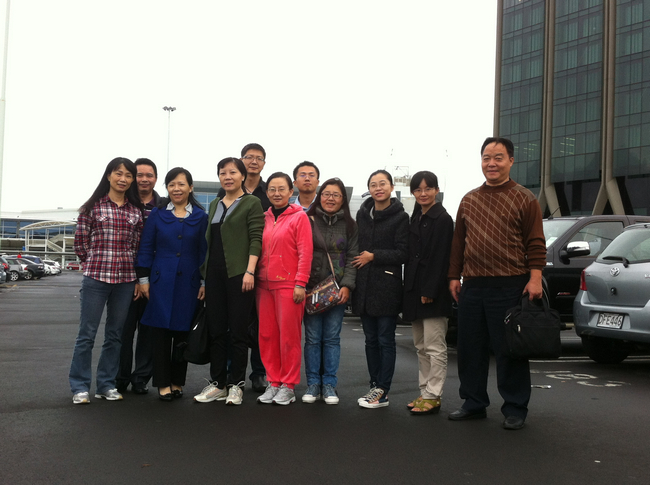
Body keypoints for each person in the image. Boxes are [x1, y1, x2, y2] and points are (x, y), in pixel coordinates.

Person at [447, 137, 546, 431]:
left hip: (510, 285)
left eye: (498, 157)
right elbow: (458, 243)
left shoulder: (525, 198)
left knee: (509, 349)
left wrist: (535, 278)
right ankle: (473, 403)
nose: (491, 163)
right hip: (473, 285)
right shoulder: (468, 199)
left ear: (511, 161)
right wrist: (453, 276)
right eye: (486, 158)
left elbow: (536, 242)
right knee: (470, 348)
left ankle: (515, 408)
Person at [69, 158, 144, 404]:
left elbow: (136, 248)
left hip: (125, 281)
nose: (123, 179)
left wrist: (135, 278)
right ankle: (80, 387)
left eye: (128, 175)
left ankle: (106, 385)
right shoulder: (91, 207)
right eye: (118, 173)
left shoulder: (135, 211)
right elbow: (80, 244)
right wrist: (91, 263)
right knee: (86, 334)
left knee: (115, 335)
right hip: (96, 279)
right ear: (109, 175)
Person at [193, 158, 264, 405]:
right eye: (223, 173)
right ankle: (218, 384)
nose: (227, 177)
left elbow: (256, 238)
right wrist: (204, 279)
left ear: (242, 176)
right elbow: (210, 242)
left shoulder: (251, 203)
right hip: (214, 276)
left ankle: (236, 385)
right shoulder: (215, 204)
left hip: (239, 275)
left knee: (238, 332)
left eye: (233, 172)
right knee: (216, 331)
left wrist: (250, 271)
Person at [136, 167, 207, 401]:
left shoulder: (200, 217)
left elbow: (204, 252)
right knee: (160, 334)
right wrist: (144, 280)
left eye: (181, 184)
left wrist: (204, 281)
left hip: (189, 283)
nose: (176, 189)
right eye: (171, 185)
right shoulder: (157, 215)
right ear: (166, 188)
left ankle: (177, 382)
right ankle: (162, 383)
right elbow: (146, 248)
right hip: (160, 282)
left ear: (190, 188)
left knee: (182, 334)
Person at [352, 170, 408, 409]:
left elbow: (403, 253)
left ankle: (383, 390)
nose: (378, 188)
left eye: (382, 183)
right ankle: (374, 385)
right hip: (364, 288)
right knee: (370, 341)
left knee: (385, 340)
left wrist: (374, 256)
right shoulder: (362, 214)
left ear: (391, 187)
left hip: (386, 287)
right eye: (373, 184)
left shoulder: (401, 217)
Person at [256, 172, 313, 405]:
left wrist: (300, 283)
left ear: (291, 191)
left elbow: (305, 252)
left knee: (289, 337)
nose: (276, 193)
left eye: (282, 189)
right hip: (264, 285)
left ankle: (288, 385)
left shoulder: (299, 217)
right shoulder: (263, 217)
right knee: (267, 336)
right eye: (272, 189)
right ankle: (273, 381)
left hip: (289, 286)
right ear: (267, 192)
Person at [217, 143, 269, 392]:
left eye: (259, 158)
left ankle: (259, 373)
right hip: (234, 268)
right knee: (232, 323)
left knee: (259, 324)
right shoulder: (224, 194)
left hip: (261, 267)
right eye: (249, 157)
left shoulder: (268, 193)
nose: (254, 161)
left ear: (264, 163)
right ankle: (231, 372)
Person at [302, 178, 358, 405]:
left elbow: (353, 257)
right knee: (313, 339)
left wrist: (347, 285)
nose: (330, 198)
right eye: (326, 194)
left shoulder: (351, 225)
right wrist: (301, 284)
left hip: (337, 291)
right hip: (311, 289)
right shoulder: (307, 220)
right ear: (319, 196)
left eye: (336, 195)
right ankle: (313, 383)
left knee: (332, 339)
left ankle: (329, 385)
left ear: (343, 199)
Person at [402, 171, 453, 415]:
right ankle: (424, 392)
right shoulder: (417, 216)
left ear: (436, 190)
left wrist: (430, 289)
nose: (423, 193)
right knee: (421, 347)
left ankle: (434, 394)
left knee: (435, 347)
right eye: (418, 190)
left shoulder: (442, 218)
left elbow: (442, 257)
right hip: (414, 289)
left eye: (428, 189)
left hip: (433, 291)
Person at [117, 158, 161, 395]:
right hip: (124, 278)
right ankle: (120, 378)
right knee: (122, 331)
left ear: (156, 178)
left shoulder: (163, 206)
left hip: (155, 279)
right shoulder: (124, 203)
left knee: (149, 331)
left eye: (149, 175)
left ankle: (141, 378)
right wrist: (135, 278)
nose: (144, 179)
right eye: (139, 175)